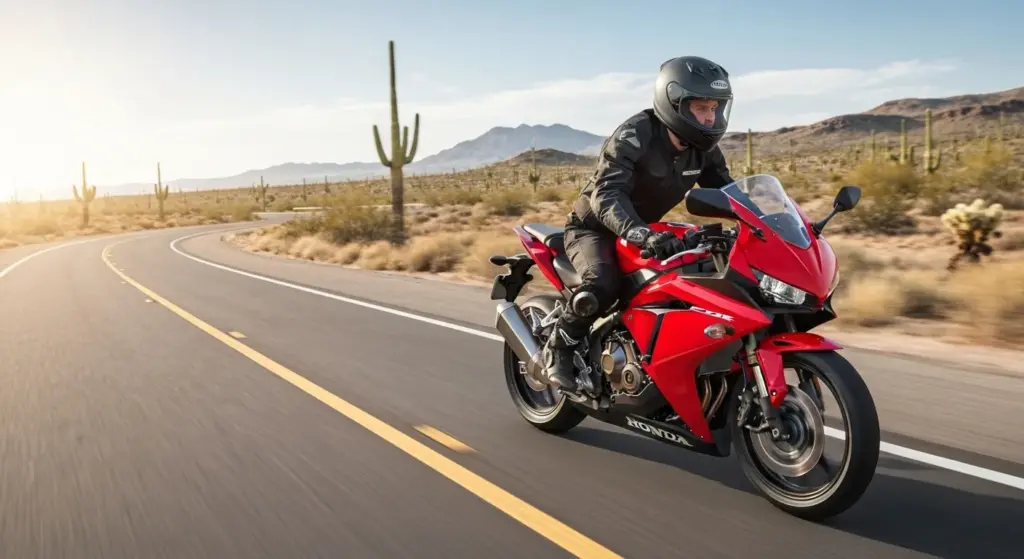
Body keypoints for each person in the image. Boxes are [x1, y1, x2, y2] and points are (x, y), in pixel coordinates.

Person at [540, 55, 737, 393]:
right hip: (595, 228)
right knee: (602, 284)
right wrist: (638, 232)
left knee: (700, 277)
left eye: (716, 108)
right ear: (675, 103)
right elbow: (607, 193)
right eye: (701, 108)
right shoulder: (635, 134)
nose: (711, 117)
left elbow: (728, 192)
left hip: (647, 231)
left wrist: (766, 222)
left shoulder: (703, 149)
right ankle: (558, 349)